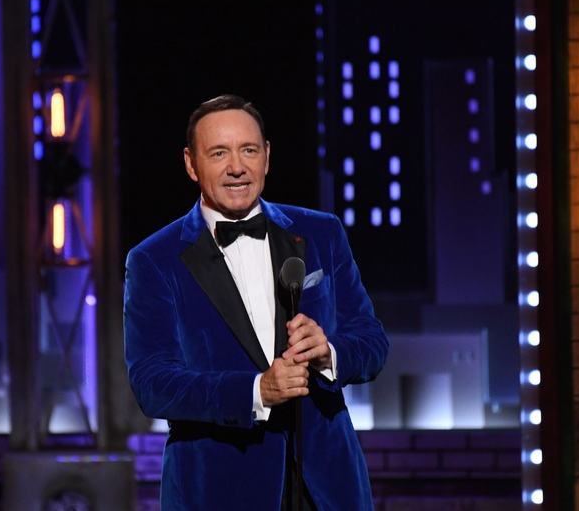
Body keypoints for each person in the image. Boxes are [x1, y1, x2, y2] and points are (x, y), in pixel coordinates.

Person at [123, 94, 388, 510]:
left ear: (266, 156)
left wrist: (329, 352)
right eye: (218, 153)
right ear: (191, 164)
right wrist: (256, 391)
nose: (236, 167)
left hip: (329, 489)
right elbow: (153, 383)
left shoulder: (322, 233)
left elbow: (372, 343)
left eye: (248, 150)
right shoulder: (154, 260)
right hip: (219, 490)